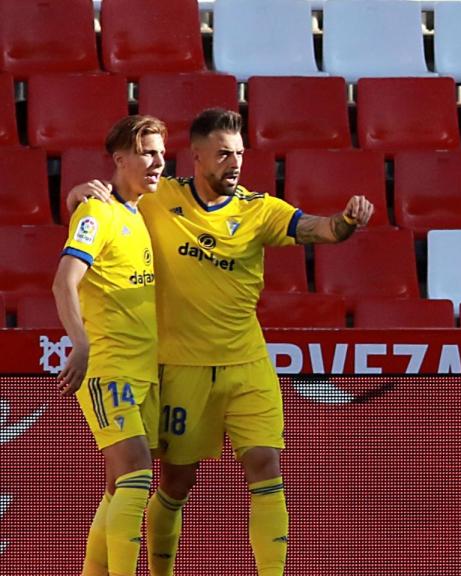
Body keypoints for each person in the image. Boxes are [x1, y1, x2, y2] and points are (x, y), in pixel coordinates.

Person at [67, 108, 375, 576]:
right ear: (195, 157)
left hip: (246, 361)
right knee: (172, 482)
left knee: (265, 463)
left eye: (240, 154)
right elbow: (107, 205)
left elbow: (321, 229)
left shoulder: (259, 210)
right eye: (224, 154)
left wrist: (347, 221)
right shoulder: (159, 197)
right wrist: (76, 193)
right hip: (181, 367)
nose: (234, 163)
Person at [53, 115, 167, 576]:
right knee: (138, 477)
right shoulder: (97, 211)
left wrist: (72, 193)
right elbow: (63, 283)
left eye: (162, 152)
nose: (159, 161)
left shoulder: (138, 210)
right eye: (147, 152)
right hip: (108, 367)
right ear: (120, 160)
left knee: (121, 485)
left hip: (145, 369)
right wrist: (79, 344)